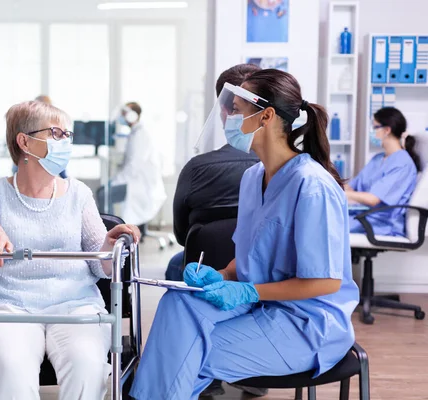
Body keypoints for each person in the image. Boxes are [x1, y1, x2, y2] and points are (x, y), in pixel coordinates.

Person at [130, 69, 359, 399]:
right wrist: (222, 274)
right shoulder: (253, 178)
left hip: (307, 324)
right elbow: (252, 253)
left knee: (182, 352)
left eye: (236, 110)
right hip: (260, 306)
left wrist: (247, 292)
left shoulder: (312, 187)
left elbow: (324, 283)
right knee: (177, 303)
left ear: (266, 116)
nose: (228, 118)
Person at [0, 100, 140, 400]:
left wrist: (109, 243)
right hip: (7, 306)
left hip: (75, 305)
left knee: (87, 366)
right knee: (12, 371)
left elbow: (100, 265)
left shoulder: (79, 194)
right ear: (24, 141)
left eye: (67, 134)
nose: (65, 141)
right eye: (56, 133)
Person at [166, 64, 261, 284]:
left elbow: (183, 237)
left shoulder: (196, 169)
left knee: (175, 265)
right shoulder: (283, 168)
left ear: (224, 111)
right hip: (265, 276)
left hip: (208, 273)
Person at [347, 107, 421, 236]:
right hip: (361, 216)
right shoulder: (377, 159)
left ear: (387, 130)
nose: (372, 132)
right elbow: (352, 187)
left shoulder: (402, 164)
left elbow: (373, 199)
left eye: (375, 127)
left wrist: (342, 194)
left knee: (323, 226)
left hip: (379, 224)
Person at [113, 102, 167, 228]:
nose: (122, 116)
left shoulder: (141, 134)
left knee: (104, 194)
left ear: (132, 115)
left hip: (142, 185)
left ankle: (109, 228)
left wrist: (116, 181)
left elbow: (134, 165)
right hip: (137, 182)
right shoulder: (136, 133)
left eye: (124, 113)